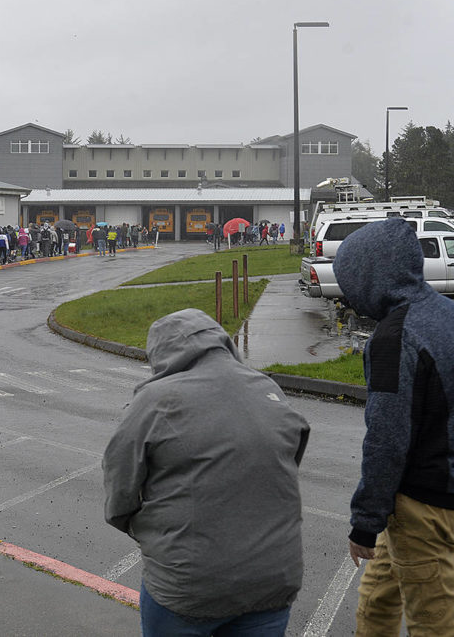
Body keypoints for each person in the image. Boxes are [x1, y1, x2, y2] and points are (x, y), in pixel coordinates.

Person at [104, 309, 309, 636]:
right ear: (222, 343)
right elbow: (288, 454)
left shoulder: (155, 400)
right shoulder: (267, 389)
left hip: (188, 586)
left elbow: (119, 484)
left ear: (162, 354)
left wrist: (138, 526)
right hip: (272, 580)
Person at [333, 218, 454, 635]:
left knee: (433, 622)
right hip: (423, 494)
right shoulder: (447, 312)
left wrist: (365, 523)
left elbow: (386, 440)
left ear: (370, 275)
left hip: (423, 507)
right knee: (377, 599)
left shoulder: (394, 338)